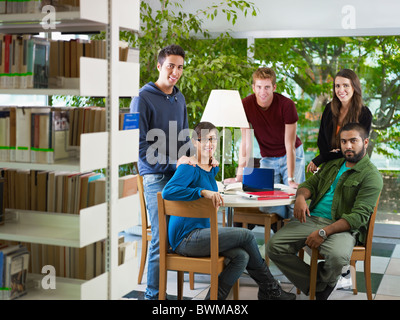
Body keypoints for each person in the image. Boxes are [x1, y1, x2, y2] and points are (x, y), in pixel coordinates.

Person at [162, 121, 296, 300]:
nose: (210, 144)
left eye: (214, 139)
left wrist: (211, 169)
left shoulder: (208, 167)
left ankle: (212, 303)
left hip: (202, 234)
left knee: (241, 257)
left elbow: (205, 181)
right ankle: (271, 290)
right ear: (195, 142)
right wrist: (201, 191)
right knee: (247, 236)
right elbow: (167, 191)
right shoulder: (189, 166)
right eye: (205, 140)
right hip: (186, 238)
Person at [266, 122, 383, 300]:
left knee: (338, 257)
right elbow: (310, 184)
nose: (348, 146)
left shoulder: (371, 176)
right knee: (274, 247)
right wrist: (300, 197)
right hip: (311, 218)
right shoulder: (333, 163)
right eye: (344, 142)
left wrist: (323, 232)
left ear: (365, 142)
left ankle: (320, 285)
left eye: (353, 141)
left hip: (341, 227)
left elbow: (358, 217)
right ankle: (320, 284)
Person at [130, 44, 192, 300]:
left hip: (178, 175)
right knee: (160, 239)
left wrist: (195, 158)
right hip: (155, 177)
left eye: (179, 67)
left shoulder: (179, 98)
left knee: (183, 233)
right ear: (159, 66)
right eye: (170, 66)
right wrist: (174, 162)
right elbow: (140, 148)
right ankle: (153, 297)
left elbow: (185, 138)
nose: (175, 72)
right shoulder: (141, 99)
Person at [225, 67, 305, 219]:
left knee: (294, 200)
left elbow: (290, 144)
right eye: (259, 87)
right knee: (267, 202)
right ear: (253, 87)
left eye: (267, 87)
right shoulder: (246, 105)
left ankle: (293, 233)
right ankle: (282, 227)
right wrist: (239, 176)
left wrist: (291, 179)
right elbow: (246, 143)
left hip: (291, 155)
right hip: (268, 158)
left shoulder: (286, 105)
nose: (263, 92)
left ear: (274, 87)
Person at [307, 69, 372, 173]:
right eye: (337, 86)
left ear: (354, 87)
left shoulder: (364, 114)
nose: (341, 90)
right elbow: (322, 141)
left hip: (352, 166)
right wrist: (329, 156)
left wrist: (324, 157)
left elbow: (357, 148)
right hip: (330, 165)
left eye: (346, 85)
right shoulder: (329, 108)